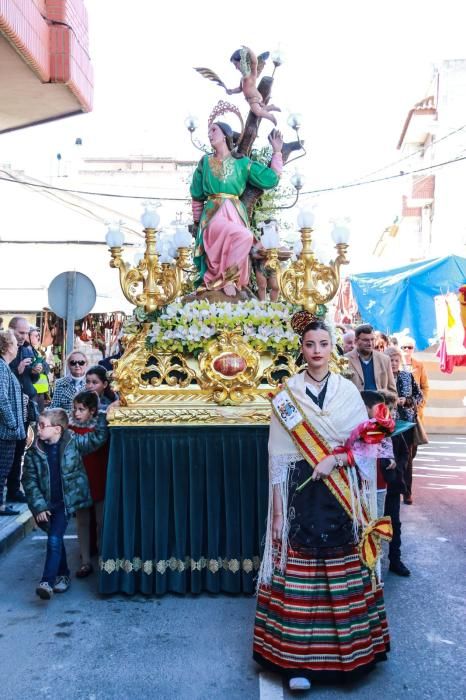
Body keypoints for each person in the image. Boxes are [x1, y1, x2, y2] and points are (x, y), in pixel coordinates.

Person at [253, 316, 390, 691]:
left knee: (343, 570)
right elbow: (278, 459)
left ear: (333, 348)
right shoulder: (287, 397)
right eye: (310, 344)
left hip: (342, 492)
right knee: (301, 579)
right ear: (302, 348)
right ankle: (297, 664)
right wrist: (278, 514)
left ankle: (352, 657)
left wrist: (337, 459)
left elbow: (365, 444)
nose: (316, 351)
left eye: (323, 344)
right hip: (302, 493)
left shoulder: (347, 392)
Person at [22, 406, 109, 600]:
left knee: (54, 539)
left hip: (63, 504)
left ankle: (47, 581)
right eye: (38, 425)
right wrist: (38, 507)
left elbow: (97, 439)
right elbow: (28, 481)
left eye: (43, 425)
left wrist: (103, 415)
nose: (39, 429)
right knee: (56, 539)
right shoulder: (33, 453)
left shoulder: (73, 443)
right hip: (45, 506)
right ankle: (63, 576)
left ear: (57, 429)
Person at [191, 122, 283, 297]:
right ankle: (224, 279)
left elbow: (270, 179)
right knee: (244, 236)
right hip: (212, 214)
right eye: (208, 131)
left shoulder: (242, 163)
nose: (209, 135)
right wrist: (196, 223)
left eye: (213, 130)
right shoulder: (205, 162)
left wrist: (277, 153)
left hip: (235, 213)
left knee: (242, 238)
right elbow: (196, 195)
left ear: (226, 134)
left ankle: (228, 279)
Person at [69, 391, 109, 577]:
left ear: (92, 411)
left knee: (101, 521)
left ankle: (102, 555)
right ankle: (85, 560)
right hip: (79, 482)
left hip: (98, 478)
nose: (77, 413)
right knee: (83, 522)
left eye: (81, 409)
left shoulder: (100, 426)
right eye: (75, 409)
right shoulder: (70, 428)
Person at [7, 316, 40, 504]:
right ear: (10, 329)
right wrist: (17, 370)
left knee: (20, 449)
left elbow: (31, 379)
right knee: (8, 451)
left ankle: (13, 489)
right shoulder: (5, 350)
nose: (23, 336)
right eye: (20, 332)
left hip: (25, 406)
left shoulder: (27, 349)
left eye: (26, 332)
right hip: (10, 407)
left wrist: (36, 371)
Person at [385, 346, 423, 505]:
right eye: (390, 360)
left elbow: (419, 397)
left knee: (407, 459)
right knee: (392, 457)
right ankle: (393, 488)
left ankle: (407, 492)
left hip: (407, 423)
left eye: (396, 360)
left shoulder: (407, 376)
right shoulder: (383, 377)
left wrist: (406, 401)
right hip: (388, 424)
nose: (393, 363)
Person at [0, 331, 26, 517]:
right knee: (2, 467)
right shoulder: (1, 367)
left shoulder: (5, 367)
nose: (18, 347)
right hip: (4, 431)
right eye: (15, 344)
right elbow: (1, 398)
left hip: (8, 429)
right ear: (7, 346)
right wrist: (12, 423)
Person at [227, 47, 280, 125]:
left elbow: (255, 62)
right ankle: (271, 107)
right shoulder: (242, 78)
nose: (236, 67)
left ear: (242, 62)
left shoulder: (251, 74)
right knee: (258, 110)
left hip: (254, 97)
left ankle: (271, 117)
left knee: (257, 112)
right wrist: (231, 91)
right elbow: (240, 89)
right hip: (251, 99)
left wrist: (249, 51)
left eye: (236, 64)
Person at [346, 323, 397, 403]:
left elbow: (393, 392)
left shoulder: (385, 360)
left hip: (379, 410)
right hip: (354, 409)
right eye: (365, 340)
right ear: (356, 341)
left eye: (372, 339)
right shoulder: (345, 360)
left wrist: (387, 409)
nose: (370, 343)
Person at [399, 336, 429, 424]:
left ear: (413, 349)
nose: (407, 349)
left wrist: (421, 403)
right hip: (400, 406)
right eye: (404, 347)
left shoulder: (419, 365)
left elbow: (425, 386)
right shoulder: (395, 364)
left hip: (415, 406)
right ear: (400, 348)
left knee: (416, 434)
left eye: (410, 347)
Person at [28, 327, 51, 412]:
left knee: (40, 417)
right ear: (28, 336)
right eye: (36, 335)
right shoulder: (26, 351)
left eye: (39, 335)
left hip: (41, 392)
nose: (38, 338)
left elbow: (47, 368)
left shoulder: (37, 352)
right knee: (33, 418)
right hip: (32, 391)